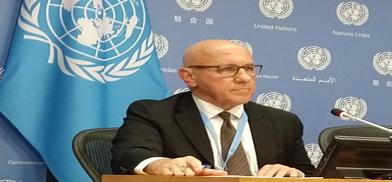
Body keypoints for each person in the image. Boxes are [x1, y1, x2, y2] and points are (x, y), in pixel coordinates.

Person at [111, 39, 315, 177]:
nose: (244, 78)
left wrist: (293, 173)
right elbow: (129, 154)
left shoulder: (283, 122)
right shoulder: (154, 113)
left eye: (249, 69)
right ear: (189, 76)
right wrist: (156, 164)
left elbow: (306, 171)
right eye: (228, 69)